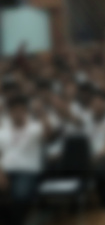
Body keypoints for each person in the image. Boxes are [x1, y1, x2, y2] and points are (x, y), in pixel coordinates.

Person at [0, 95, 52, 225]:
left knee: (20, 195)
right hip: (5, 170)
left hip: (28, 171)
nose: (17, 114)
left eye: (20, 110)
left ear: (25, 111)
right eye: (14, 111)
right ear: (9, 112)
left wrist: (41, 113)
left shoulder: (35, 127)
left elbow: (48, 134)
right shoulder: (3, 131)